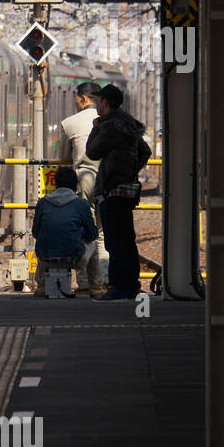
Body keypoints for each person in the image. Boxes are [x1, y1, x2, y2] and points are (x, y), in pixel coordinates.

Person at [85, 84, 152, 301]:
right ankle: (131, 286)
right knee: (126, 240)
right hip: (126, 189)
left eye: (98, 101)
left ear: (105, 102)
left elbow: (92, 152)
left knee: (114, 242)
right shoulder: (126, 123)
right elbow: (145, 151)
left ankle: (119, 288)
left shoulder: (111, 125)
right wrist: (130, 171)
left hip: (112, 190)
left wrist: (95, 127)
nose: (96, 105)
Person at [56, 82, 109, 296]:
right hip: (108, 180)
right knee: (104, 233)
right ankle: (104, 279)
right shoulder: (110, 122)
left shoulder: (69, 123)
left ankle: (85, 281)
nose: (76, 104)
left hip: (83, 181)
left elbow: (63, 159)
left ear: (83, 99)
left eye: (76, 100)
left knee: (85, 232)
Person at [31, 166, 98, 297]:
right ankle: (96, 287)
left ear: (55, 184)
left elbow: (35, 233)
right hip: (74, 259)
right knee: (94, 245)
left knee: (44, 241)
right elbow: (93, 234)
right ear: (76, 186)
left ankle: (41, 285)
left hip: (46, 259)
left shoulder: (43, 203)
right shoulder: (81, 204)